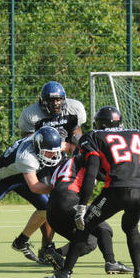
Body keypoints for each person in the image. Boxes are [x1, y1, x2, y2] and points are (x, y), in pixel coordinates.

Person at [44, 106, 140, 278]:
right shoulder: (137, 135)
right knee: (131, 228)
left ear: (100, 123)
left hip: (116, 190)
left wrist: (82, 205)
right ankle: (139, 274)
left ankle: (64, 274)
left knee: (84, 228)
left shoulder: (94, 136)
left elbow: (91, 174)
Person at [0, 126, 63, 268]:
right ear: (38, 146)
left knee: (46, 208)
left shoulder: (42, 142)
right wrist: (58, 188)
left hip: (20, 176)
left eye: (54, 151)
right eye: (49, 152)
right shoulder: (26, 157)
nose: (53, 155)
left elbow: (67, 146)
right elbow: (35, 187)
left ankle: (22, 241)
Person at [17, 81, 87, 257]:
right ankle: (46, 245)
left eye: (59, 99)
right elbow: (30, 143)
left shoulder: (73, 109)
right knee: (49, 205)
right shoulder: (32, 115)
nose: (56, 103)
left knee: (64, 200)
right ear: (43, 101)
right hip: (42, 161)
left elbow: (77, 133)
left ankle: (42, 245)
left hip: (63, 160)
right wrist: (55, 147)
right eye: (51, 100)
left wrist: (77, 145)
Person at [43, 150, 134, 275]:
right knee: (103, 228)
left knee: (89, 242)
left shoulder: (66, 163)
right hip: (68, 202)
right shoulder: (87, 160)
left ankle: (56, 254)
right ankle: (111, 263)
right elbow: (107, 175)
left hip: (52, 211)